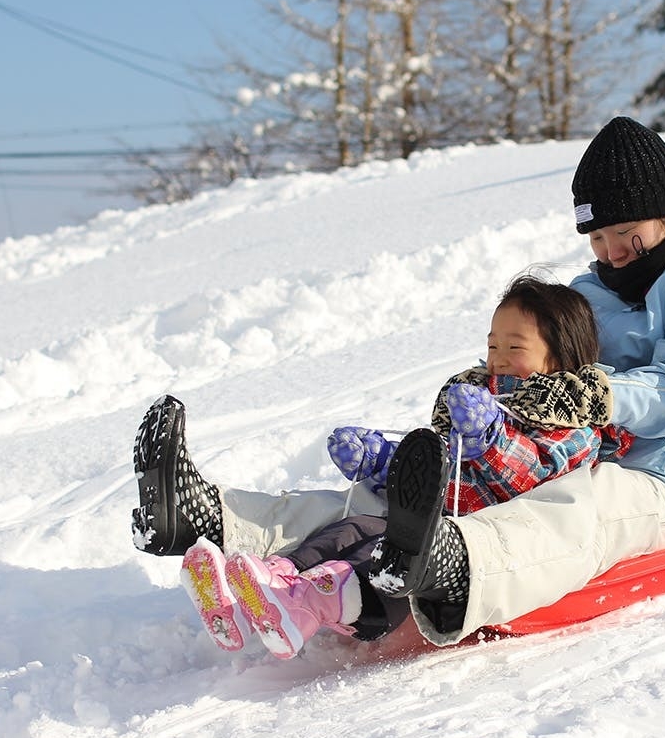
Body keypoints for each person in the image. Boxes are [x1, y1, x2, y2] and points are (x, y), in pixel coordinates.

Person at [133, 114, 665, 649]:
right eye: (597, 237)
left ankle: (453, 565)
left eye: (626, 234)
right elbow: (548, 359)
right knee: (409, 497)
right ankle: (219, 521)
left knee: (583, 509)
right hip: (564, 453)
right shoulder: (593, 291)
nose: (611, 253)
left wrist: (594, 395)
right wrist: (495, 389)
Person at [168, 277, 631, 659]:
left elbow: (534, 473)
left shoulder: (575, 427)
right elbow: (437, 468)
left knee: (382, 555)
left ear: (561, 359)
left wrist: (491, 440)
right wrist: (382, 461)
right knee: (352, 529)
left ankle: (306, 604)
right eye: (493, 345)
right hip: (431, 517)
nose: (498, 359)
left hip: (469, 544)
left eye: (515, 346)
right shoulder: (479, 401)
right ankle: (260, 587)